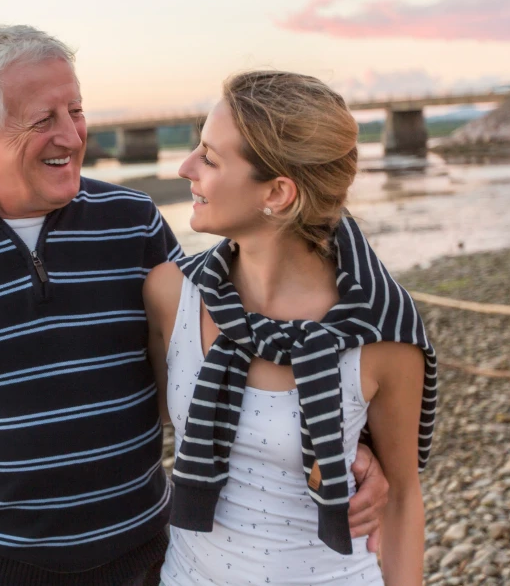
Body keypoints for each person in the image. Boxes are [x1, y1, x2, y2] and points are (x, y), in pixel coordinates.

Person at [0, 27, 390, 586]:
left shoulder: (133, 221)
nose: (71, 136)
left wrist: (353, 446)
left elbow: (240, 342)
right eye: (43, 119)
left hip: (143, 563)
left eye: (75, 110)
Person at [144, 71, 438, 585]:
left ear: (278, 193)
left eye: (209, 158)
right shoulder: (172, 295)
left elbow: (403, 497)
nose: (185, 166)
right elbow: (149, 424)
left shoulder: (380, 333)